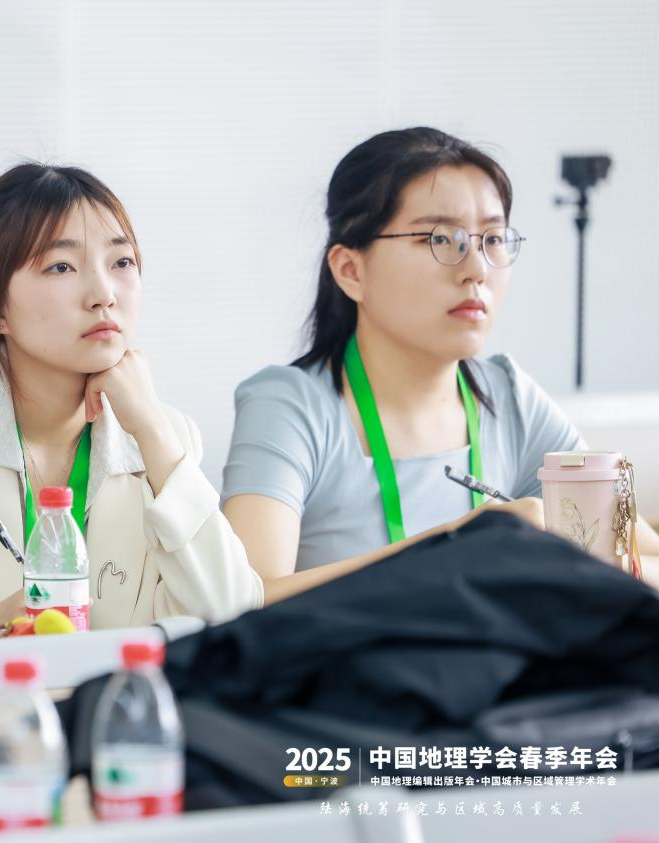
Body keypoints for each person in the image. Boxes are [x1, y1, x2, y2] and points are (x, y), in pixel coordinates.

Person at [0, 162, 266, 645]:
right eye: (61, 266)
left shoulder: (166, 440)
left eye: (121, 262)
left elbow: (234, 618)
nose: (103, 294)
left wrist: (152, 431)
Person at [221, 127, 659, 586]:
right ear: (351, 271)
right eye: (440, 239)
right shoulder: (290, 404)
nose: (477, 270)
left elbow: (641, 555)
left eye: (493, 239)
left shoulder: (509, 396)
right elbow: (252, 598)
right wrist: (458, 544)